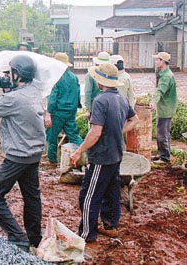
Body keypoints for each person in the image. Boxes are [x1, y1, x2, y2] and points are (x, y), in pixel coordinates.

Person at [0, 55, 46, 252]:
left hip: (18, 156)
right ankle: (34, 238)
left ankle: (17, 237)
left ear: (18, 74)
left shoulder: (14, 99)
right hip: (34, 153)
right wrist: (4, 83)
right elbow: (14, 95)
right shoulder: (33, 91)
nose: (8, 75)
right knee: (32, 197)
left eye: (10, 72)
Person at [70, 63, 138, 243]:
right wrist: (117, 131)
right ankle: (111, 226)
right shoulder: (121, 99)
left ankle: (87, 234)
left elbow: (95, 133)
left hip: (101, 155)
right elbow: (134, 120)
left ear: (100, 82)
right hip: (116, 153)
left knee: (89, 195)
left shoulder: (100, 100)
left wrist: (79, 152)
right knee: (111, 192)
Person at [44, 52, 83, 165]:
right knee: (74, 135)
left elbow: (53, 97)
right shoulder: (74, 77)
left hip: (57, 112)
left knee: (52, 136)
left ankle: (52, 160)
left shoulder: (55, 78)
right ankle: (86, 154)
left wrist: (48, 113)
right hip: (70, 112)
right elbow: (77, 94)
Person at [150, 52, 178, 164]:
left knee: (163, 134)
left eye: (157, 60)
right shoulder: (164, 74)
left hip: (166, 109)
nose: (156, 62)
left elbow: (160, 90)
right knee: (162, 132)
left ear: (163, 61)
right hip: (164, 108)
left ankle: (165, 158)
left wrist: (153, 101)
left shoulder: (166, 76)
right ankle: (161, 154)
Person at [84, 51, 110, 117]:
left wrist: (88, 109)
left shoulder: (90, 74)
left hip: (95, 106)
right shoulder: (110, 74)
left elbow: (88, 92)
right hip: (109, 105)